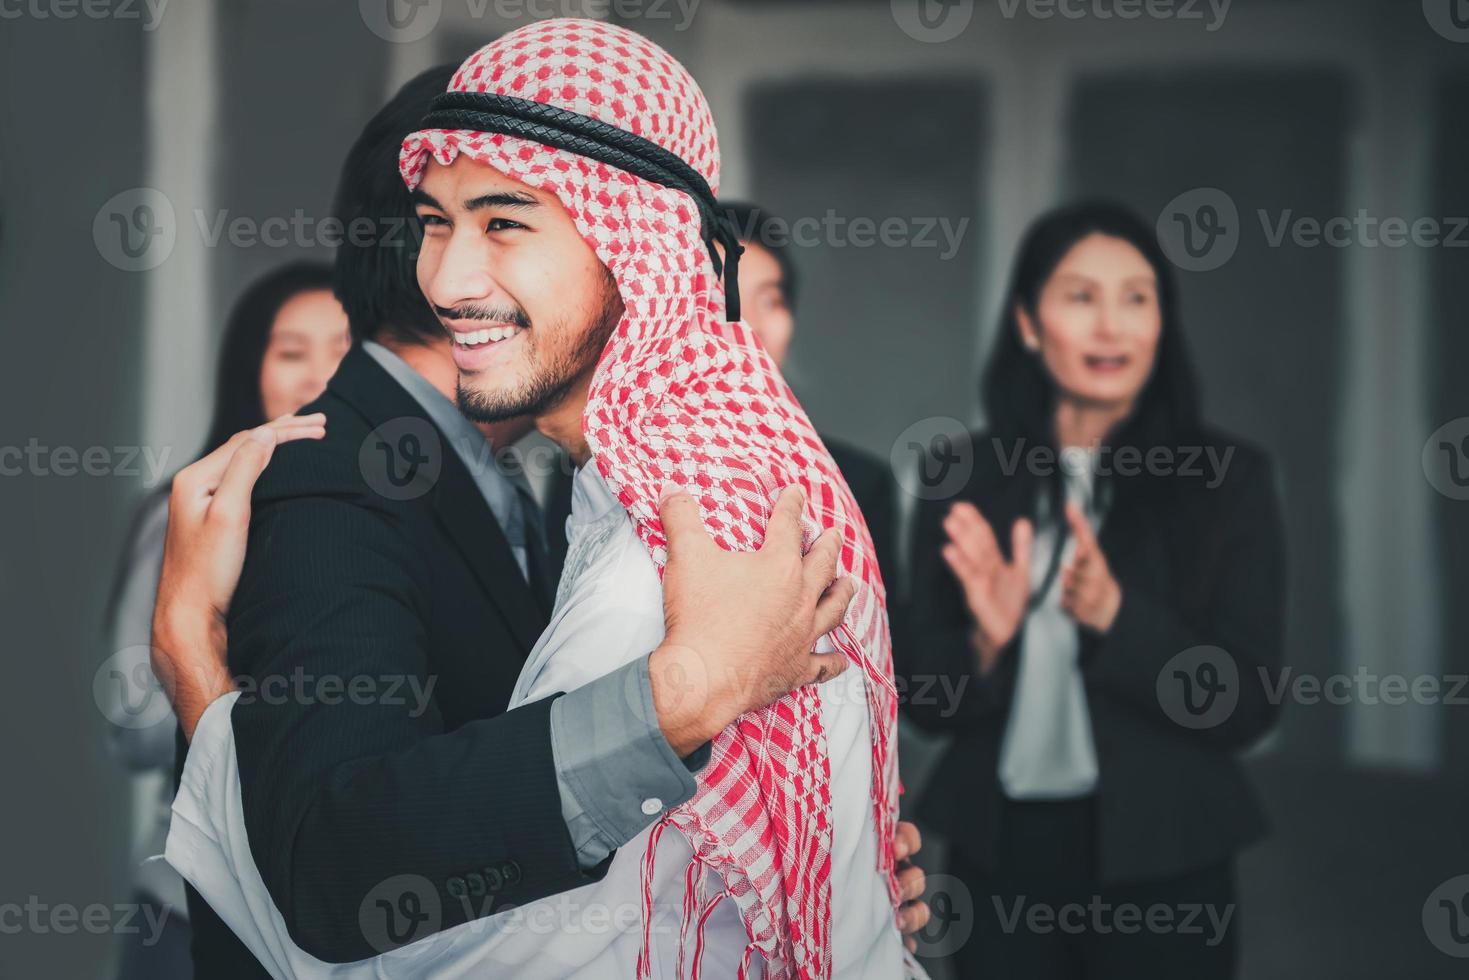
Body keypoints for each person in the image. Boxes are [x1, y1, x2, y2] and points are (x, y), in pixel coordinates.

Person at [151, 39, 928, 979]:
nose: (446, 280)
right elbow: (342, 874)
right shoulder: (338, 479)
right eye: (433, 223)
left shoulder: (669, 525)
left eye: (506, 221)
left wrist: (825, 872)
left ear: (632, 239)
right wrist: (193, 668)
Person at [899, 201, 1286, 979]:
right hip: (1001, 855)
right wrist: (986, 642)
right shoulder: (961, 477)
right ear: (1029, 324)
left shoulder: (1227, 480)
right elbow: (923, 700)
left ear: (1160, 324)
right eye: (1080, 296)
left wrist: (1118, 619)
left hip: (1166, 856)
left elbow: (1248, 701)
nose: (1111, 326)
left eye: (1135, 298)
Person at [102, 261, 345, 980]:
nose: (320, 377)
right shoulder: (191, 510)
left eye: (344, 349)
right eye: (291, 352)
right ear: (251, 372)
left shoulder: (409, 519)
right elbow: (134, 729)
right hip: (190, 912)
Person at [720, 200, 898, 588]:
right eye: (723, 296)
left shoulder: (857, 485)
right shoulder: (615, 472)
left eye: (769, 301)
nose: (749, 325)